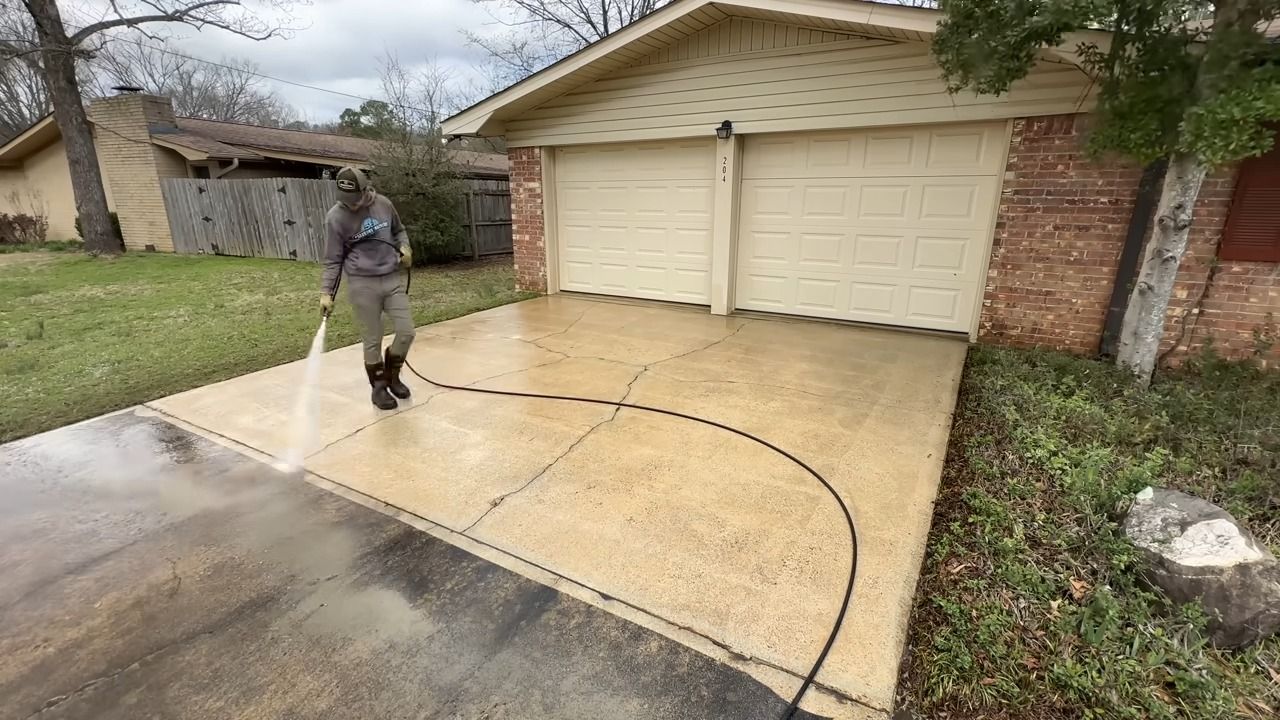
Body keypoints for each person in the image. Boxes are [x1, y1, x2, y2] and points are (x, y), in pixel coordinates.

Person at [320, 167, 415, 410]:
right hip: (362, 283)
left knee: (406, 332)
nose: (352, 205)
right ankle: (379, 388)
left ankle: (393, 375)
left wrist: (405, 248)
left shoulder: (383, 204)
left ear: (366, 189)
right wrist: (326, 293)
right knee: (372, 338)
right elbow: (332, 260)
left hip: (391, 277)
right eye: (347, 200)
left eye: (356, 199)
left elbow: (399, 230)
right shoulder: (335, 217)